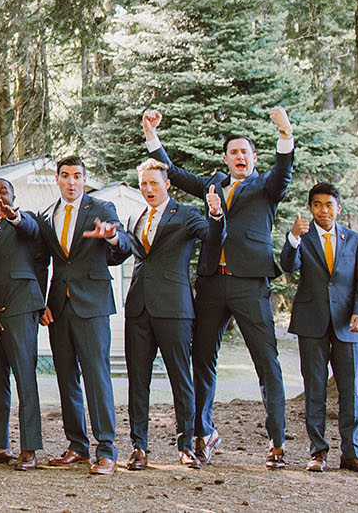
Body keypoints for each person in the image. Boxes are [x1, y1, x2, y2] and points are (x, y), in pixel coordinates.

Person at [145, 106, 294, 468]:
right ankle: (203, 432)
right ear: (226, 159)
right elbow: (174, 175)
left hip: (250, 284)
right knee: (203, 359)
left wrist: (285, 132)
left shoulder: (267, 187)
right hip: (212, 283)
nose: (239, 157)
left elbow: (284, 170)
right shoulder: (213, 185)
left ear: (254, 158)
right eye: (233, 153)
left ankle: (276, 442)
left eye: (245, 152)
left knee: (267, 363)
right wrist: (151, 135)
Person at [23, 155, 130, 475]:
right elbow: (42, 263)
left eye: (77, 176)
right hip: (59, 306)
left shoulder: (102, 209)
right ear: (57, 179)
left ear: (85, 179)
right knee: (66, 376)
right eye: (65, 175)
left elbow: (123, 246)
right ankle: (77, 446)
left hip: (93, 304)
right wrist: (42, 303)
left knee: (97, 377)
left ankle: (107, 449)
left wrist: (110, 235)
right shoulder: (46, 215)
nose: (71, 181)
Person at [280, 183, 358, 474]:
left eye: (329, 205)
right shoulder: (304, 238)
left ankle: (352, 453)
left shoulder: (355, 240)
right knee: (316, 390)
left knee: (350, 391)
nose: (324, 210)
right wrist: (294, 238)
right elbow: (288, 266)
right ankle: (318, 453)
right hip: (312, 323)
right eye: (318, 205)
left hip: (348, 325)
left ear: (339, 208)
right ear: (310, 208)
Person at [123, 156, 208, 470]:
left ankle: (187, 446)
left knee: (181, 380)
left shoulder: (185, 214)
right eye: (144, 183)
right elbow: (121, 252)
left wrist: (214, 211)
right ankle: (139, 447)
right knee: (138, 381)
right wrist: (109, 237)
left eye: (154, 183)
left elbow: (210, 235)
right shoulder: (134, 218)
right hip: (138, 309)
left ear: (167, 184)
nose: (148, 189)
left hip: (174, 309)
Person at [0, 176, 46, 470]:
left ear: (14, 198)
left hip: (19, 308)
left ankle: (29, 448)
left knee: (25, 378)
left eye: (3, 192)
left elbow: (29, 227)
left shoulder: (23, 223)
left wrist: (14, 216)